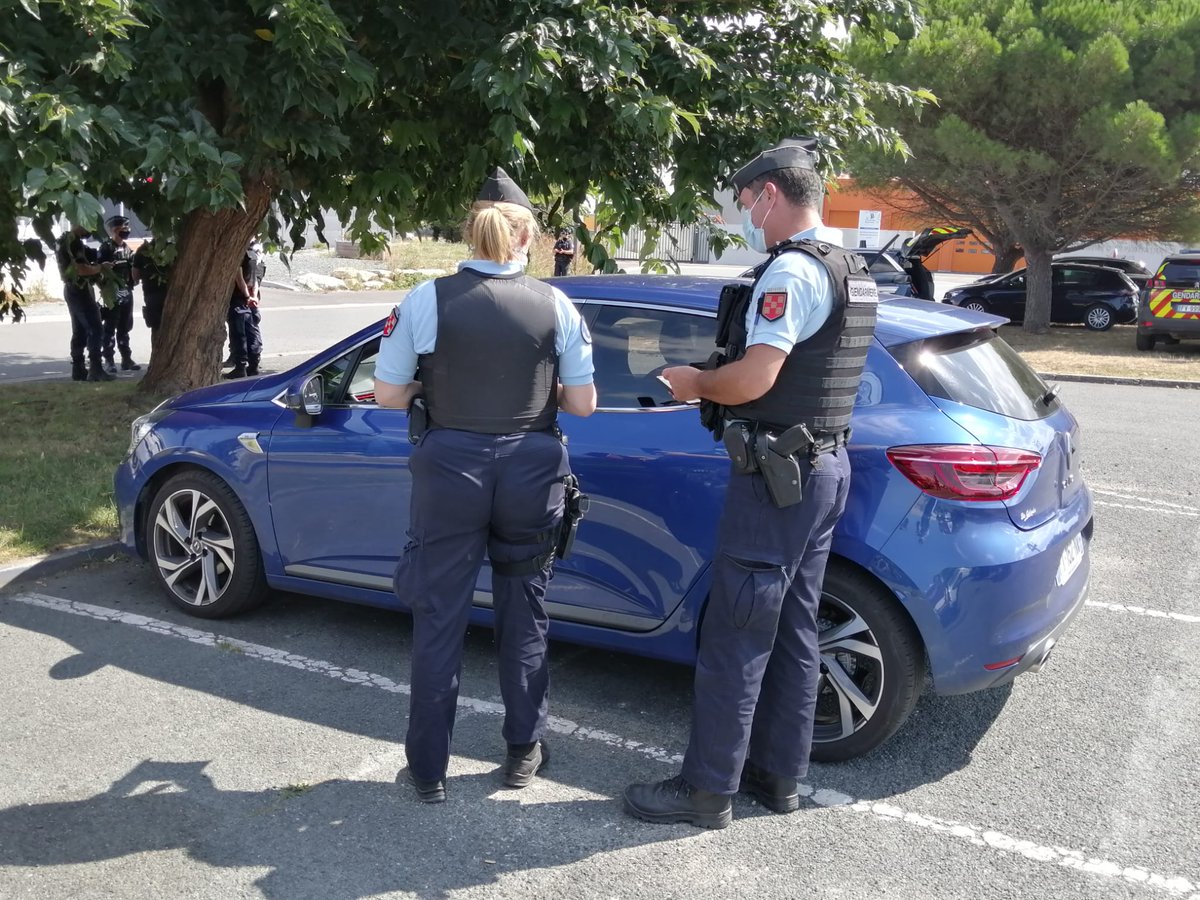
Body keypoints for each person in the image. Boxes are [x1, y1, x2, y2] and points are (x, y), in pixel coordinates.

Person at [623, 138, 878, 829]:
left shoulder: (791, 273)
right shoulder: (853, 266)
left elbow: (755, 378)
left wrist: (694, 383)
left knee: (736, 631)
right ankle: (777, 777)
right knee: (795, 628)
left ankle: (706, 790)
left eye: (745, 205)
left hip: (777, 477)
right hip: (821, 468)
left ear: (770, 193)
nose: (746, 220)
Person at [373, 167, 597, 804]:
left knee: (439, 615)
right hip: (530, 467)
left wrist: (428, 387)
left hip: (451, 467)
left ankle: (427, 769)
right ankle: (523, 751)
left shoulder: (424, 299)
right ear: (527, 237)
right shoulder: (558, 304)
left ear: (470, 233)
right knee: (523, 612)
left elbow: (389, 394)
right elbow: (581, 404)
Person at [55, 224, 114, 382]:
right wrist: (100, 268)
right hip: (78, 289)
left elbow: (90, 257)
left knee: (80, 330)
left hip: (74, 289)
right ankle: (95, 369)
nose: (91, 230)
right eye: (88, 225)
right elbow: (80, 269)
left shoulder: (69, 241)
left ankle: (79, 368)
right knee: (95, 328)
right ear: (78, 222)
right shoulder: (71, 243)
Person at [97, 215, 141, 373]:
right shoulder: (106, 248)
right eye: (122, 228)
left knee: (125, 327)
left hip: (127, 292)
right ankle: (109, 360)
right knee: (110, 327)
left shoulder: (127, 248)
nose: (126, 231)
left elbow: (133, 267)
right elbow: (100, 270)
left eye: (127, 228)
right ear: (114, 230)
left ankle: (126, 359)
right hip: (113, 293)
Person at [224, 241, 263, 378]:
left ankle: (240, 367)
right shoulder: (254, 255)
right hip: (251, 300)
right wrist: (253, 296)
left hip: (239, 299)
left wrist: (247, 296)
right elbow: (256, 279)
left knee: (239, 334)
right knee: (252, 333)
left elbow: (239, 279)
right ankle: (253, 366)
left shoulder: (239, 255)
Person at [132, 238, 170, 353]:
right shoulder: (171, 247)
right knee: (170, 325)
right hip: (170, 292)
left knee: (156, 327)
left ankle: (158, 355)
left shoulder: (143, 250)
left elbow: (135, 276)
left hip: (151, 293)